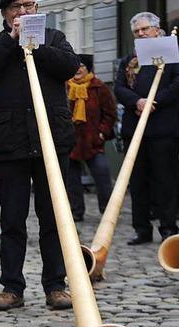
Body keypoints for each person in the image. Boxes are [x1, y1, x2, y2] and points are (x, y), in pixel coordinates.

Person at [0, 0, 79, 311]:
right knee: (12, 219)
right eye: (16, 7)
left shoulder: (54, 37)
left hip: (52, 140)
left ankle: (56, 285)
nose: (23, 12)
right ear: (4, 13)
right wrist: (12, 41)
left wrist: (37, 43)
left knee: (53, 217)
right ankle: (12, 287)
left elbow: (69, 67)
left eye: (28, 5)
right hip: (10, 143)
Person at [114, 12, 179, 245]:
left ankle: (168, 227)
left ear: (156, 29)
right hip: (135, 128)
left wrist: (155, 101)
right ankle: (141, 229)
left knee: (165, 180)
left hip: (162, 128)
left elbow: (176, 85)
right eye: (137, 31)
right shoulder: (128, 60)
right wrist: (137, 102)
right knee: (138, 182)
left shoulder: (172, 55)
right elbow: (119, 88)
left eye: (145, 29)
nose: (141, 34)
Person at [65, 54, 117, 222]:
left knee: (102, 176)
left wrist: (102, 132)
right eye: (75, 66)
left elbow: (110, 113)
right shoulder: (65, 87)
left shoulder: (98, 87)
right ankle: (76, 211)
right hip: (70, 141)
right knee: (71, 180)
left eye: (81, 66)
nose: (78, 69)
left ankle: (107, 211)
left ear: (88, 68)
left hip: (92, 140)